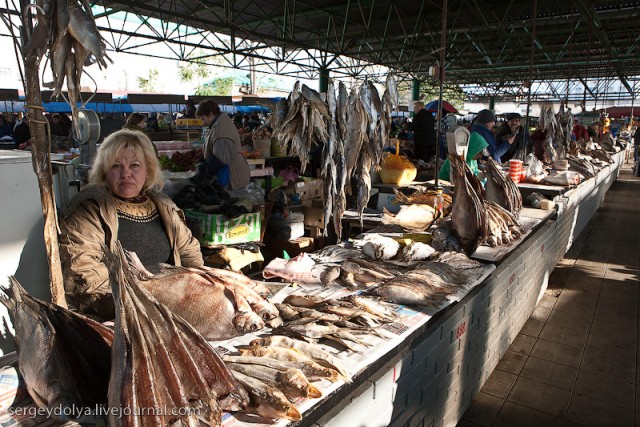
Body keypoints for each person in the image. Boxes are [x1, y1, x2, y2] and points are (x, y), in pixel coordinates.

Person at [59, 129, 204, 320]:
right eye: (116, 166)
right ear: (104, 171)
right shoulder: (88, 209)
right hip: (119, 315)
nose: (126, 174)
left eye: (135, 165)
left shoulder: (162, 203)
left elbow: (188, 251)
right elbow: (82, 274)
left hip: (172, 308)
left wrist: (201, 289)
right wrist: (148, 301)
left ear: (148, 169)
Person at [196, 100, 250, 189]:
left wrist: (202, 168)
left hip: (233, 177)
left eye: (203, 119)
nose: (203, 123)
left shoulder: (221, 130)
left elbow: (221, 159)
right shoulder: (218, 124)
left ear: (210, 114)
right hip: (230, 174)